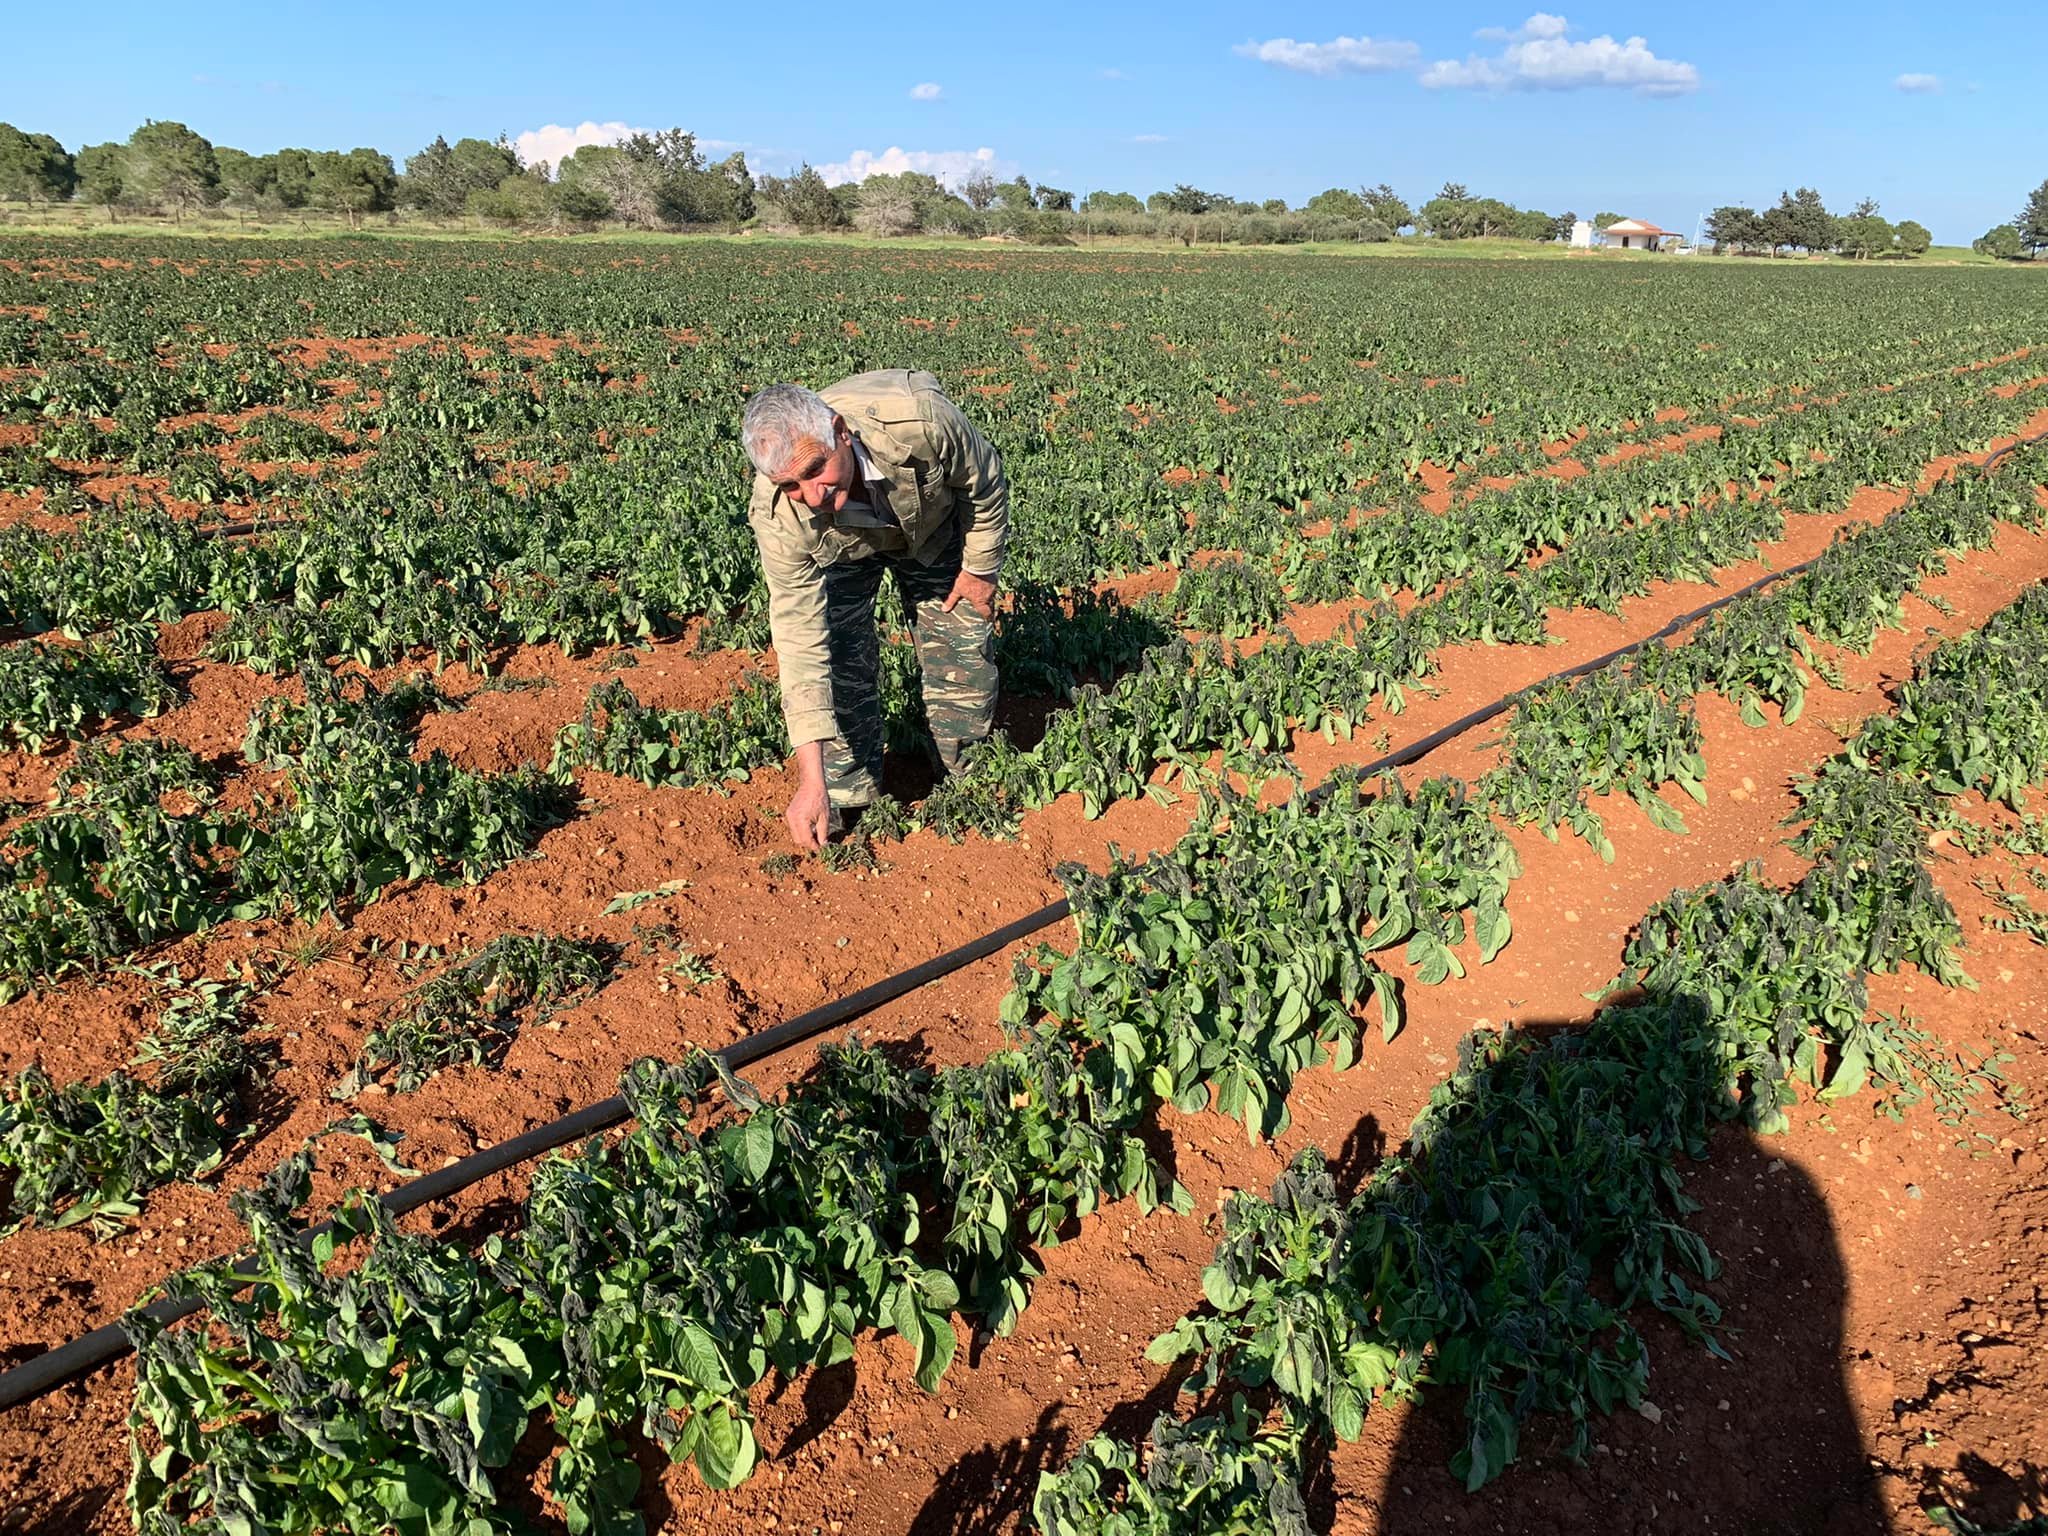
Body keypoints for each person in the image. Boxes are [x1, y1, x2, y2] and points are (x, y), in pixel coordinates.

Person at [740, 370, 1006, 849]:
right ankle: (849, 797)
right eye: (792, 484)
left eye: (816, 468)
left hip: (932, 529)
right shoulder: (781, 514)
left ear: (841, 432)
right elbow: (800, 639)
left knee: (961, 650)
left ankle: (966, 781)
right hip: (842, 551)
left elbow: (983, 485)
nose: (811, 494)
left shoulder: (921, 421)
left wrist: (980, 572)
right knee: (840, 658)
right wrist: (812, 780)